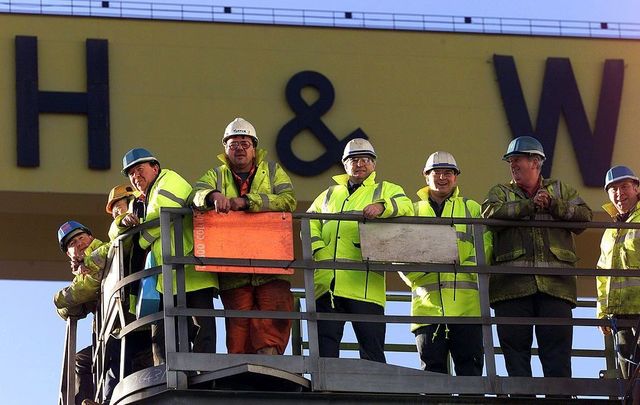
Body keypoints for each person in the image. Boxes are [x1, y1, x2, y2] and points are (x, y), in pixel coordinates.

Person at [481, 135, 592, 379]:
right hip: (512, 290)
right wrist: (530, 206)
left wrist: (554, 204)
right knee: (516, 356)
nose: (512, 165)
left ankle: (558, 400)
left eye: (517, 159)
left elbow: (585, 217)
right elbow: (490, 214)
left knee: (557, 356)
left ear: (536, 162)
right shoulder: (500, 191)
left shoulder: (560, 190)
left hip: (556, 288)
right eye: (510, 161)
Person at [191, 117, 297, 355]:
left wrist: (248, 202)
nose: (239, 148)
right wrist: (212, 196)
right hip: (233, 267)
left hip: (271, 264)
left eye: (244, 143)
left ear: (254, 147)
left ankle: (269, 366)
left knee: (274, 317)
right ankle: (240, 373)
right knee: (238, 329)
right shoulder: (215, 175)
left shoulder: (272, 171)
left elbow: (288, 200)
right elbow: (195, 194)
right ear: (225, 149)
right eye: (233, 144)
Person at [307, 138, 413, 363]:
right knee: (325, 349)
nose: (360, 164)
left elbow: (406, 206)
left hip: (365, 285)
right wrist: (319, 250)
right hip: (329, 283)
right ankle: (326, 393)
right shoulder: (329, 194)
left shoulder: (386, 189)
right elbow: (308, 222)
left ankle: (374, 395)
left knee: (372, 351)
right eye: (354, 159)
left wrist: (382, 207)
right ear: (345, 165)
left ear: (374, 165)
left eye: (366, 159)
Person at [119, 147, 218, 365]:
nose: (136, 176)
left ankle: (205, 374)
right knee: (162, 336)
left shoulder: (169, 178)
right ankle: (165, 375)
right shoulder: (138, 202)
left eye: (140, 169)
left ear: (155, 167)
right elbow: (115, 235)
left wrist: (141, 236)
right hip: (165, 277)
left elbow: (163, 211)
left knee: (202, 329)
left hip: (192, 269)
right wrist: (122, 222)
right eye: (131, 174)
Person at [399, 151, 491, 375]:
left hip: (468, 311)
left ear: (456, 177)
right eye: (436, 172)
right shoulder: (412, 210)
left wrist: (459, 267)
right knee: (432, 379)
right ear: (425, 176)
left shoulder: (471, 208)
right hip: (427, 310)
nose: (442, 177)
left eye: (448, 173)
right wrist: (424, 271)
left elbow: (487, 246)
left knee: (471, 378)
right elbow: (399, 253)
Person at [54, 221, 111, 405]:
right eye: (72, 244)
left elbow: (83, 291)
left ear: (91, 237)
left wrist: (57, 298)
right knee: (81, 361)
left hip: (120, 325)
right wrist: (79, 275)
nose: (79, 243)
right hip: (108, 331)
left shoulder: (103, 251)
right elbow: (68, 310)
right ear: (69, 254)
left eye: (81, 237)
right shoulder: (82, 269)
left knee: (95, 359)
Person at [597, 165, 640, 379]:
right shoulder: (610, 232)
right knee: (629, 374)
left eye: (624, 187)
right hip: (621, 312)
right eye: (613, 189)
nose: (619, 193)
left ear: (636, 189)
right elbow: (603, 274)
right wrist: (602, 312)